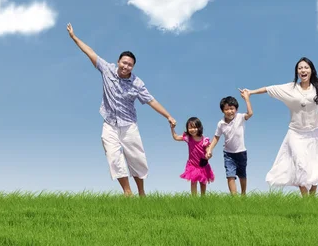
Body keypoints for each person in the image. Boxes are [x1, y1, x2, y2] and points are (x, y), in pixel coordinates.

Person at [66, 23, 177, 197]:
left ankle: (142, 193)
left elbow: (151, 101)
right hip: (109, 123)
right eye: (124, 63)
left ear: (133, 67)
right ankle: (127, 192)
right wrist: (74, 38)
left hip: (128, 125)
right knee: (113, 157)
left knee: (136, 159)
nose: (126, 66)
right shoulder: (107, 69)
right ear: (118, 62)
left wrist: (168, 116)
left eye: (130, 65)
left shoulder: (137, 83)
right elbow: (90, 52)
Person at [241, 47, 318, 197]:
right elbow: (268, 89)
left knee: (316, 167)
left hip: (314, 134)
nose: (303, 70)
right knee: (300, 165)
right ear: (297, 72)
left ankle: (312, 197)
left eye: (306, 67)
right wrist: (251, 92)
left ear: (311, 70)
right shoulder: (290, 88)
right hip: (295, 133)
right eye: (300, 68)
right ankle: (305, 199)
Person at [205, 89, 254, 195]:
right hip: (228, 154)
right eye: (226, 109)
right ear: (222, 111)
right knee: (230, 175)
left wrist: (247, 99)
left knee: (242, 175)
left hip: (241, 152)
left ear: (236, 109)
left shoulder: (240, 117)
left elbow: (250, 113)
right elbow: (216, 137)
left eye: (232, 108)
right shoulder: (221, 123)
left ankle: (243, 194)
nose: (229, 111)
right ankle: (234, 198)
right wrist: (210, 149)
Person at [171, 117, 215, 196]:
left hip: (202, 164)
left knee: (203, 183)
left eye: (195, 127)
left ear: (199, 128)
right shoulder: (188, 138)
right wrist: (172, 129)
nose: (192, 130)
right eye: (190, 128)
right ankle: (194, 199)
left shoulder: (204, 140)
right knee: (193, 182)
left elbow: (208, 150)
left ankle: (203, 198)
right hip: (192, 165)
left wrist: (209, 154)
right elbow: (176, 137)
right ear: (187, 129)